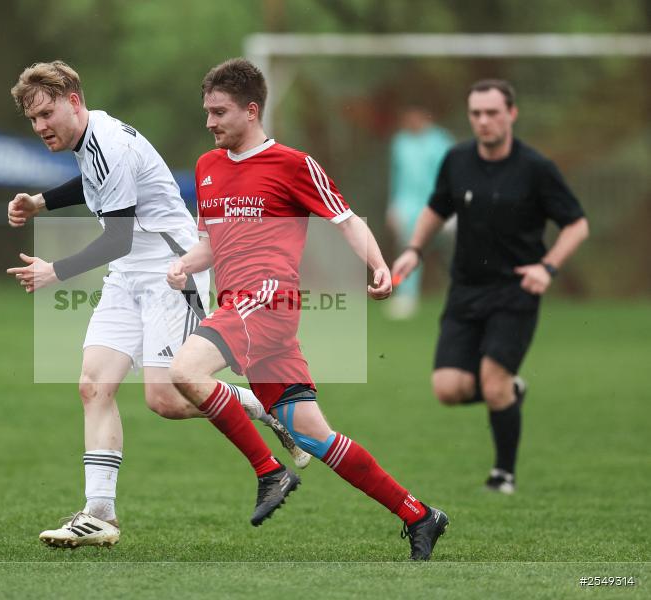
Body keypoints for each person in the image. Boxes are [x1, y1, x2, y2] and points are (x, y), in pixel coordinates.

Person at [5, 61, 309, 549]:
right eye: (33, 120)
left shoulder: (110, 144)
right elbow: (96, 187)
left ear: (74, 102)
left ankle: (266, 407)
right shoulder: (90, 141)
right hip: (128, 274)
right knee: (92, 385)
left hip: (172, 269)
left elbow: (120, 238)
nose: (41, 127)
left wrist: (55, 270)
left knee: (165, 400)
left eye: (46, 114)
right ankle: (100, 514)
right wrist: (40, 202)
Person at [166, 58, 449, 561]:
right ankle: (419, 515)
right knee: (313, 435)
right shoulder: (207, 169)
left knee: (185, 371)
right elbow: (210, 243)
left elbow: (345, 220)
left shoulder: (293, 164)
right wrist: (185, 264)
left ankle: (269, 471)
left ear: (252, 111)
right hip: (240, 308)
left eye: (219, 112)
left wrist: (379, 264)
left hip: (270, 301)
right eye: (206, 112)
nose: (209, 122)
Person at [392, 79, 589, 494]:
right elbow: (436, 207)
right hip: (465, 289)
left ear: (511, 114)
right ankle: (510, 391)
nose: (484, 121)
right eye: (476, 114)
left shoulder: (535, 168)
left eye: (493, 113)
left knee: (493, 382)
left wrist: (548, 268)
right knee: (448, 388)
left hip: (515, 291)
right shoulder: (457, 159)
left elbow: (577, 224)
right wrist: (414, 250)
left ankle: (503, 475)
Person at [385, 106, 454, 319]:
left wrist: (453, 206)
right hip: (409, 204)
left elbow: (451, 175)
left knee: (450, 251)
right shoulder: (400, 143)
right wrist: (394, 206)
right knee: (408, 248)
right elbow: (397, 177)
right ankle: (406, 296)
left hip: (438, 203)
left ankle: (459, 295)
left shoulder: (441, 141)